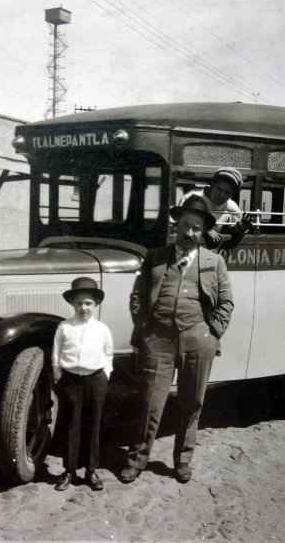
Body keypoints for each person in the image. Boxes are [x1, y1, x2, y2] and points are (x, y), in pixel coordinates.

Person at [121, 195, 234, 484]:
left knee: (191, 403)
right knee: (150, 402)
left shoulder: (215, 261)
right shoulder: (155, 257)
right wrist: (146, 330)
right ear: (176, 226)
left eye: (196, 228)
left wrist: (213, 333)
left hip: (199, 339)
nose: (189, 233)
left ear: (203, 232)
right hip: (158, 339)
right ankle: (136, 460)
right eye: (184, 225)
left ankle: (182, 461)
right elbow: (137, 298)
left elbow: (226, 302)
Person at [52, 277, 114, 491]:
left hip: (95, 380)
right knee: (72, 424)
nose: (83, 308)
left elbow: (108, 354)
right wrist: (58, 372)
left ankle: (91, 470)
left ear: (95, 304)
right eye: (79, 303)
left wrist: (106, 373)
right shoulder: (64, 327)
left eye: (88, 303)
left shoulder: (102, 329)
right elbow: (56, 353)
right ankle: (69, 470)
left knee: (92, 424)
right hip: (71, 381)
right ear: (72, 305)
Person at [179, 167, 251, 250]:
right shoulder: (192, 198)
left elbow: (234, 230)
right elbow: (179, 224)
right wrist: (207, 230)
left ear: (232, 195)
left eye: (227, 193)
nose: (221, 195)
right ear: (212, 185)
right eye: (219, 189)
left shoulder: (231, 207)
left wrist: (240, 229)